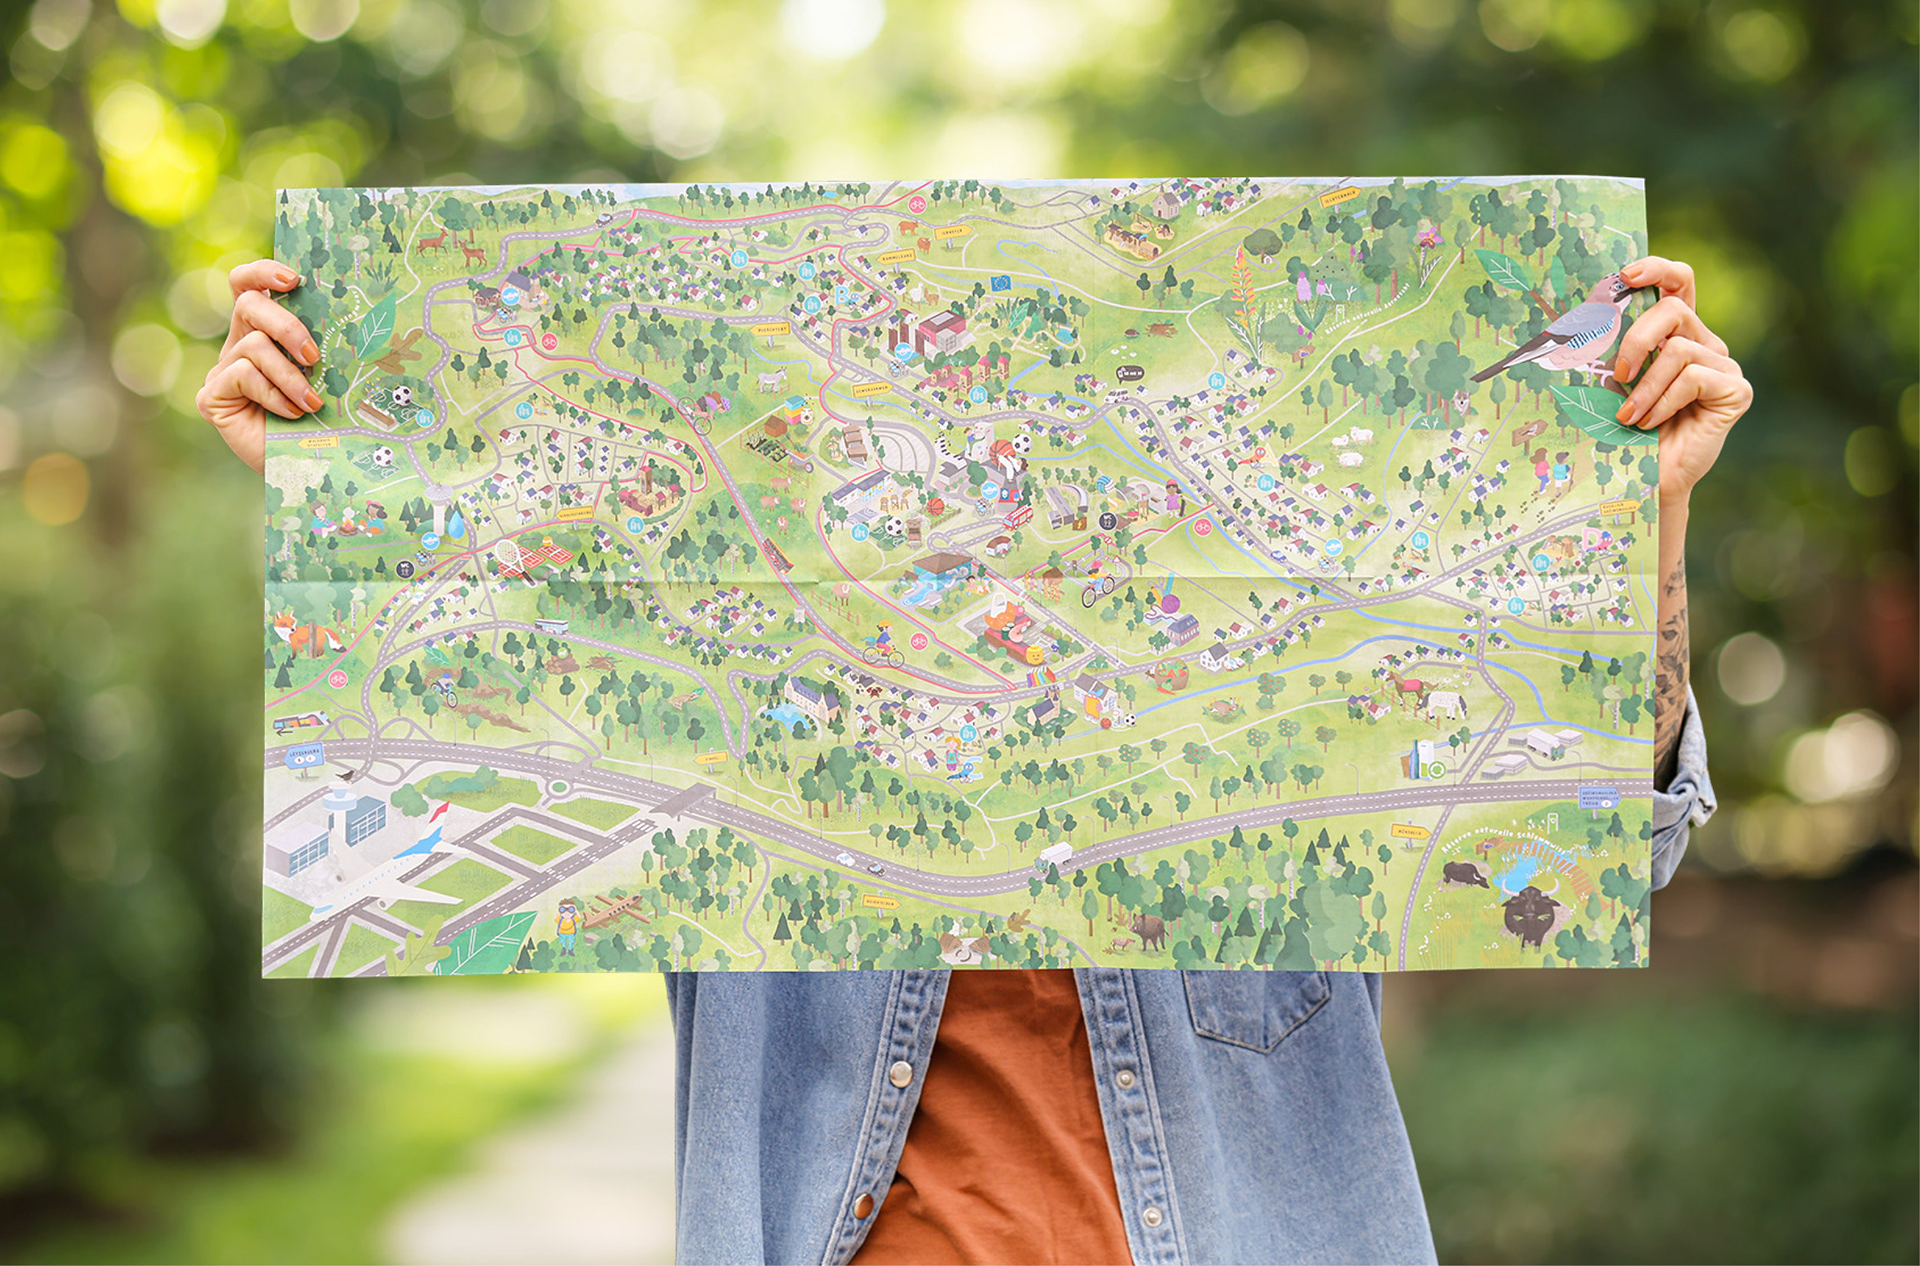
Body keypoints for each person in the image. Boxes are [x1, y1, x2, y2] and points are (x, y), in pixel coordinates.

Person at [203, 254, 1747, 1264]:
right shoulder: (746, 692)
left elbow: (1609, 840)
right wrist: (343, 485)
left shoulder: (1262, 663)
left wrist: (1652, 520)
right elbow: (450, 750)